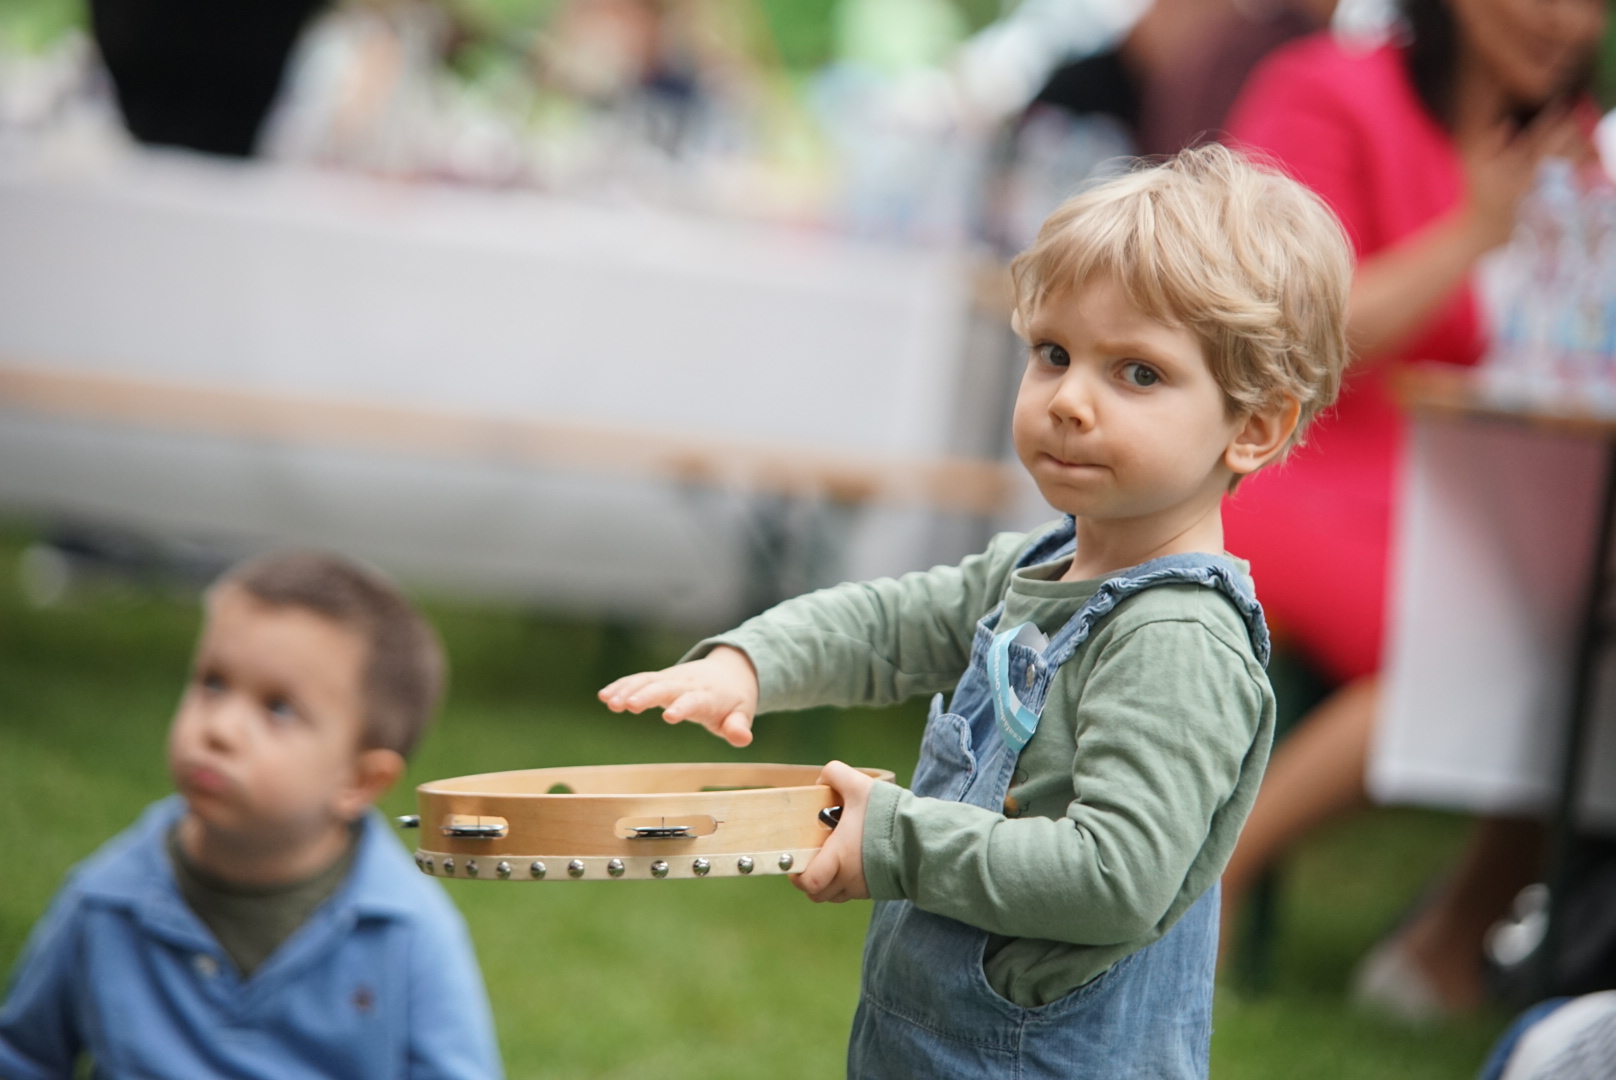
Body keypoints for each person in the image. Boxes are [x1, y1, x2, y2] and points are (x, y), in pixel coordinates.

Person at [600, 144, 1352, 1079]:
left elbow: (1114, 876)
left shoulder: (1177, 641)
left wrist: (897, 840)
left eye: (1138, 373)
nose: (1070, 400)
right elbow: (888, 626)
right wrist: (749, 662)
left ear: (1255, 426)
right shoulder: (1040, 564)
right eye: (1054, 354)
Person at [1215, 0, 1606, 1015]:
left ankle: (1452, 937)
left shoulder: (1569, 145)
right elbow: (1285, 332)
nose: (1566, 23)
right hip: (1292, 457)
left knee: (1578, 645)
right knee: (1505, 646)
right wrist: (1475, 232)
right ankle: (1207, 883)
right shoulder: (1325, 89)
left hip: (1478, 486)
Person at [0, 552, 502, 1080]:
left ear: (360, 781)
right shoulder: (107, 902)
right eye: (212, 682)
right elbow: (22, 1060)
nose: (219, 728)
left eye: (278, 708)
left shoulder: (406, 932)